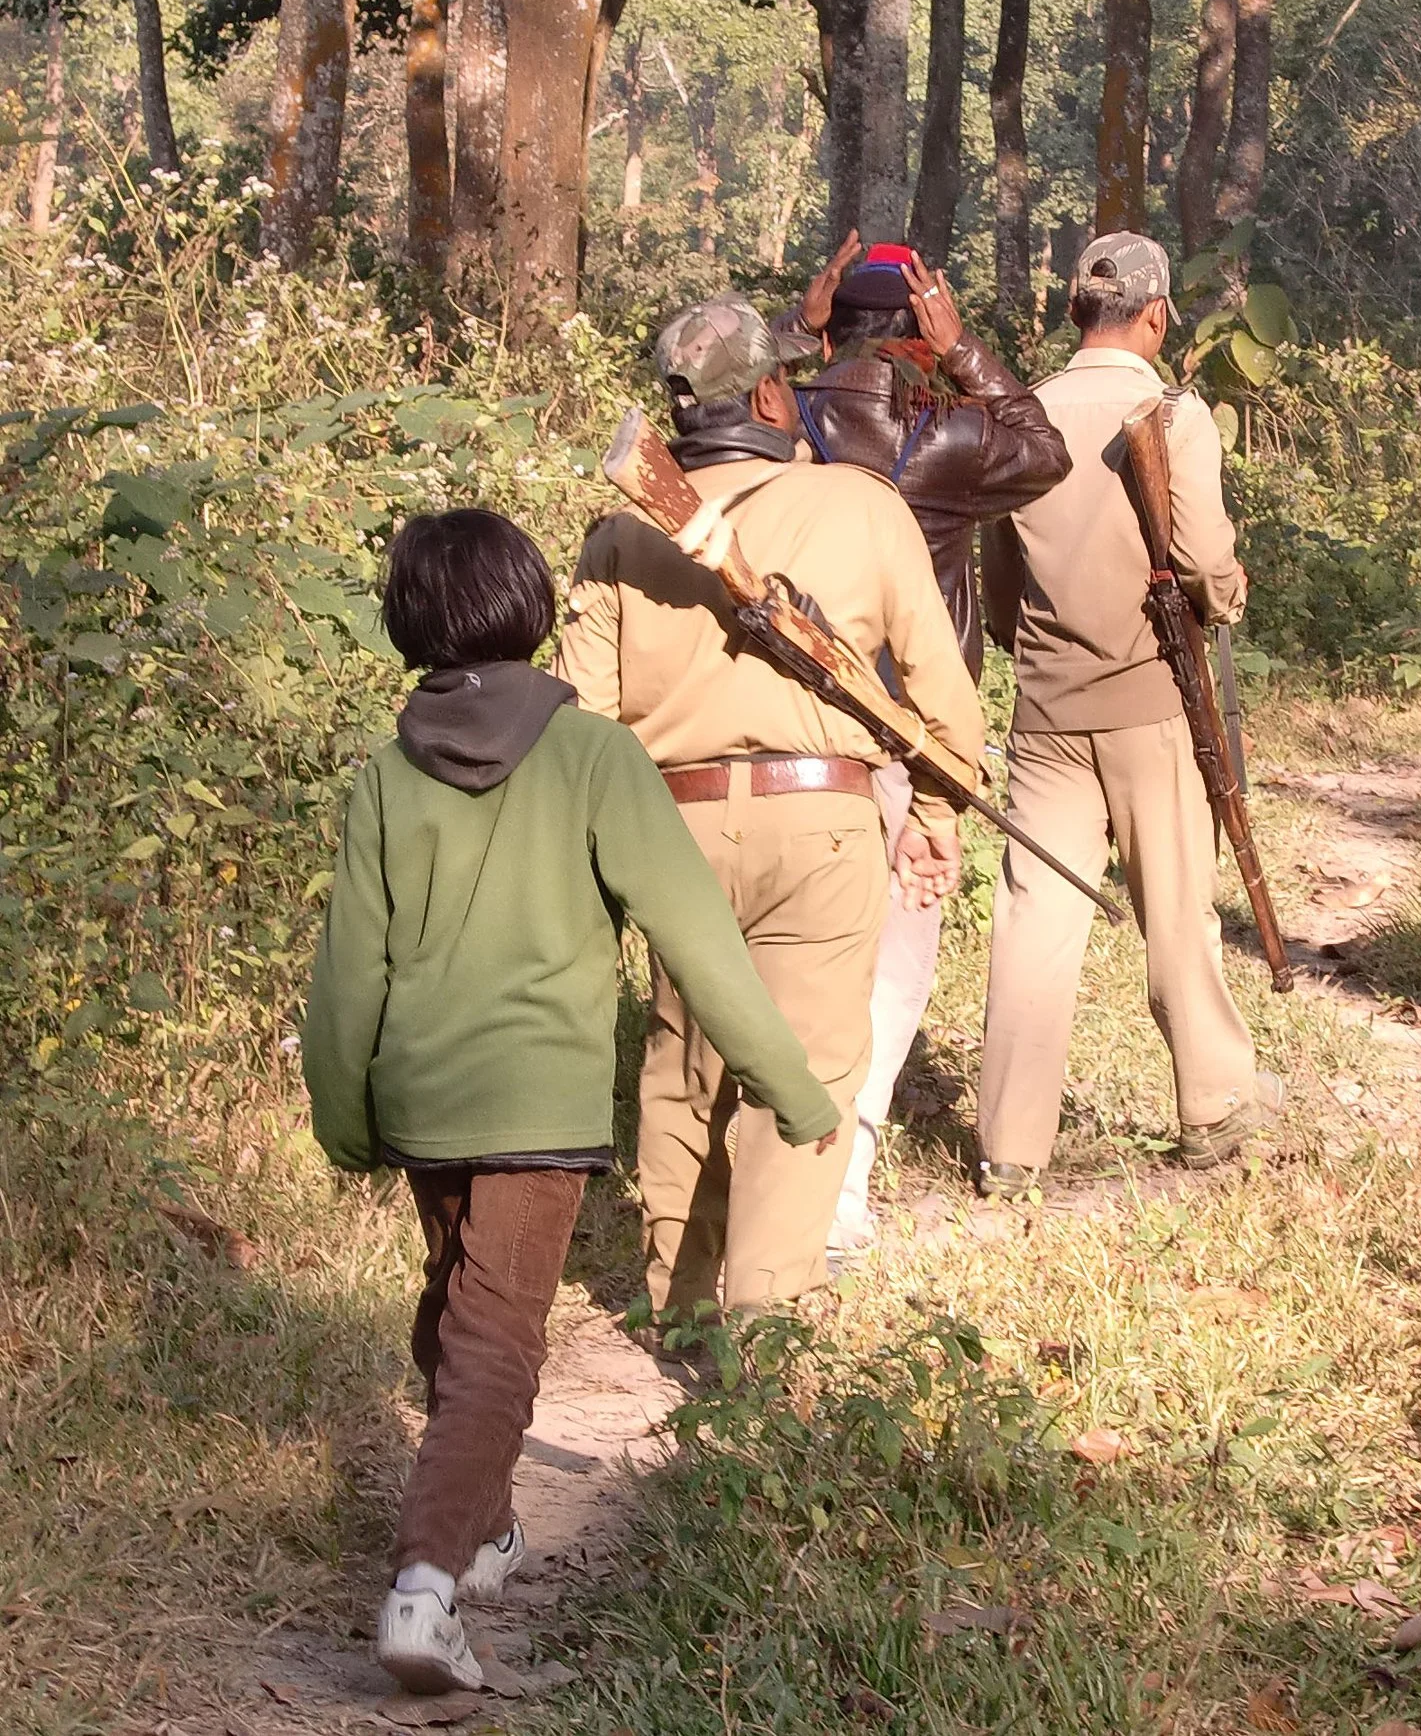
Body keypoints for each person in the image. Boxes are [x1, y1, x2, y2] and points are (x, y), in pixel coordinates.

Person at [302, 509, 840, 1698]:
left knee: (456, 1313)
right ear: (530, 604)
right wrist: (791, 1085)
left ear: (407, 620)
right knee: (494, 1340)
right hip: (537, 1105)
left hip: (424, 1098)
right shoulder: (595, 754)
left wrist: (342, 1112)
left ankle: (484, 1528)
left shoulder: (388, 774)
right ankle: (424, 1585)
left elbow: (349, 970)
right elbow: (696, 936)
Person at [554, 296, 984, 1316]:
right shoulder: (863, 505)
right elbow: (944, 695)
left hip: (674, 832)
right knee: (809, 1066)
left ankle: (681, 1307)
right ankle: (765, 1315)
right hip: (823, 824)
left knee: (685, 1065)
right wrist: (935, 815)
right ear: (766, 396)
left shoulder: (621, 534)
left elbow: (582, 721)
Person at [778, 237, 1070, 1252]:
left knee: (791, 946)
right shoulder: (948, 436)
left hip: (797, 722)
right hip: (910, 727)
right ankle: (845, 1182)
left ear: (838, 324)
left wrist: (795, 332)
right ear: (918, 330)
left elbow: (700, 412)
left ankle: (776, 1172)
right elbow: (1044, 451)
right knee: (896, 955)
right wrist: (966, 352)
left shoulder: (782, 414)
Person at [975, 231, 1278, 1193]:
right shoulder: (1174, 416)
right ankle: (1212, 1104)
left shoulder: (1019, 414)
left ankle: (1010, 1144)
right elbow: (1202, 561)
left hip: (1045, 713)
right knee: (1178, 909)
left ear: (1075, 312)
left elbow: (998, 582)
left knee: (1035, 920)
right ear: (1155, 317)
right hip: (1156, 701)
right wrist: (1228, 594)